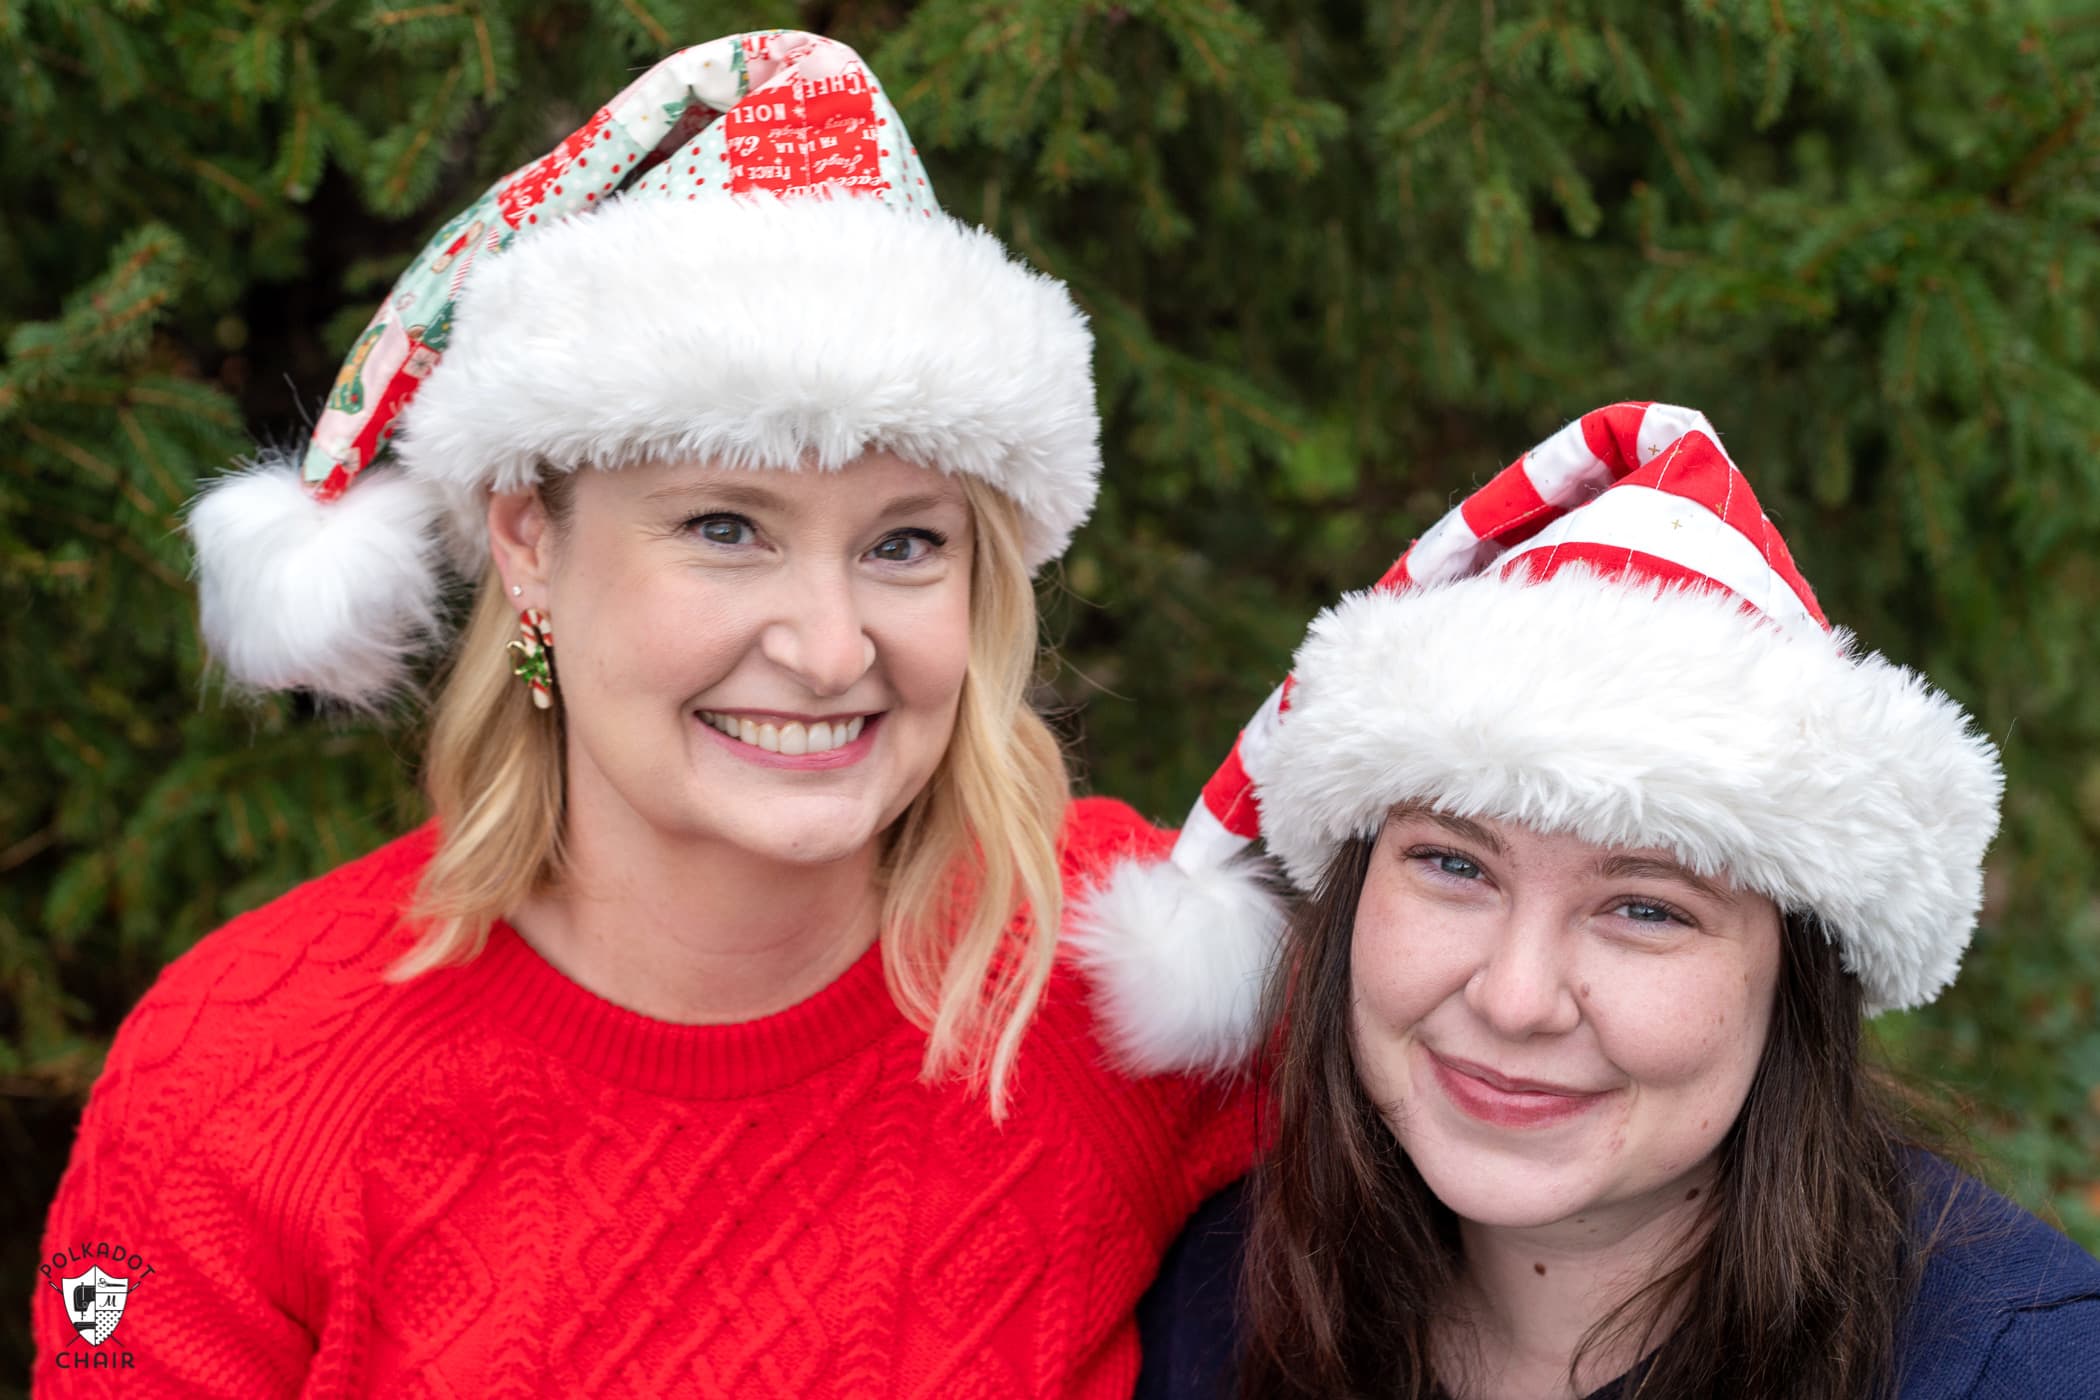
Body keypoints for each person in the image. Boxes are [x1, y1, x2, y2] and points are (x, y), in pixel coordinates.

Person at [34, 33, 1253, 1395]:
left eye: (905, 544)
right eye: (727, 528)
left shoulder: (1140, 983)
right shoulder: (240, 1077)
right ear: (526, 543)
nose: (829, 644)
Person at [1077, 403, 2100, 1399]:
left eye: (1646, 908)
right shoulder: (1214, 1299)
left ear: (1798, 971)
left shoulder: (2021, 1367)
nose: (1517, 999)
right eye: (1455, 865)